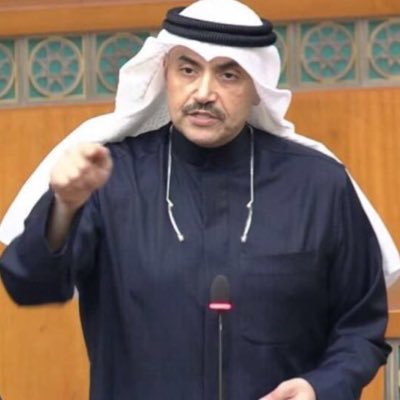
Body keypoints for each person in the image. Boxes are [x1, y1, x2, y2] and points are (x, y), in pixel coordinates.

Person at [0, 1, 396, 399]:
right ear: (165, 75)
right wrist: (65, 206)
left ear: (257, 88)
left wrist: (319, 389)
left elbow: (360, 329)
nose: (204, 93)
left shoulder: (318, 186)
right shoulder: (111, 179)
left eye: (228, 74)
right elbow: (30, 284)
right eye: (188, 70)